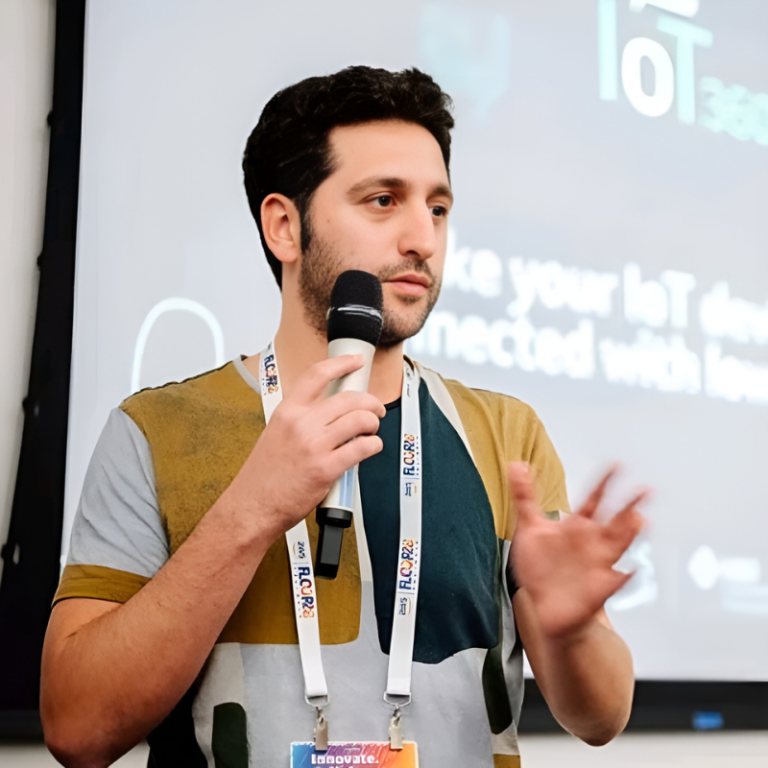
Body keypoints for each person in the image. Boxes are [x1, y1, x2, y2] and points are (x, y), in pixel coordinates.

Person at [41, 66, 646, 768]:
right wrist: (252, 510)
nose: (422, 237)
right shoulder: (155, 430)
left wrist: (572, 633)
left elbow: (601, 718)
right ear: (285, 226)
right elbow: (77, 729)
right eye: (383, 201)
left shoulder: (506, 435)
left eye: (438, 208)